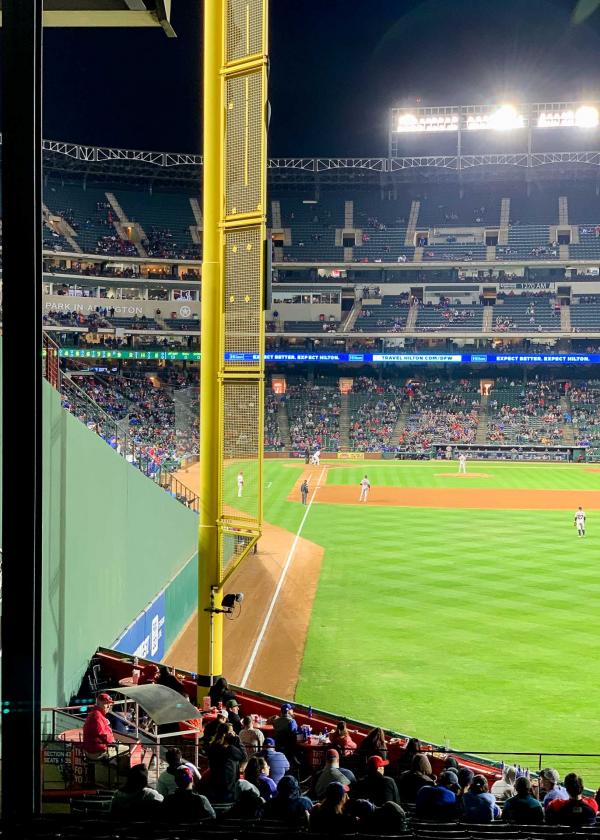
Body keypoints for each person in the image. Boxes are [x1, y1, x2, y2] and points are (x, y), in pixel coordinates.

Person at [206, 723, 247, 803]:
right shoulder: (230, 750)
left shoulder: (213, 746)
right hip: (228, 787)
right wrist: (237, 739)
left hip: (215, 784)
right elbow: (244, 756)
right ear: (225, 734)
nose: (233, 734)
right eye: (231, 732)